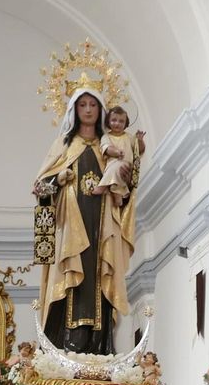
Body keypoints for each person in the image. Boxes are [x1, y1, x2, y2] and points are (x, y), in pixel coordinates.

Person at [34, 88, 135, 354]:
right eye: (82, 105)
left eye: (93, 104)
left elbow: (125, 193)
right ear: (74, 111)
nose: (88, 110)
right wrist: (59, 178)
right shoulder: (64, 145)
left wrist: (126, 177)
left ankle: (98, 346)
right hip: (71, 227)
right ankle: (67, 343)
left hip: (103, 226)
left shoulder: (110, 147)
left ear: (101, 110)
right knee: (74, 276)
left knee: (99, 274)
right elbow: (39, 188)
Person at [91, 104, 145, 206]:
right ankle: (118, 197)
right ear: (108, 122)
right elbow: (106, 148)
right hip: (113, 163)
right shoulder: (106, 136)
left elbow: (139, 150)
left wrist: (140, 141)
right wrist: (116, 152)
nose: (117, 123)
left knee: (119, 169)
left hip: (126, 164)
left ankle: (102, 186)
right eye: (114, 120)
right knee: (116, 175)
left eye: (121, 121)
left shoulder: (129, 137)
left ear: (126, 123)